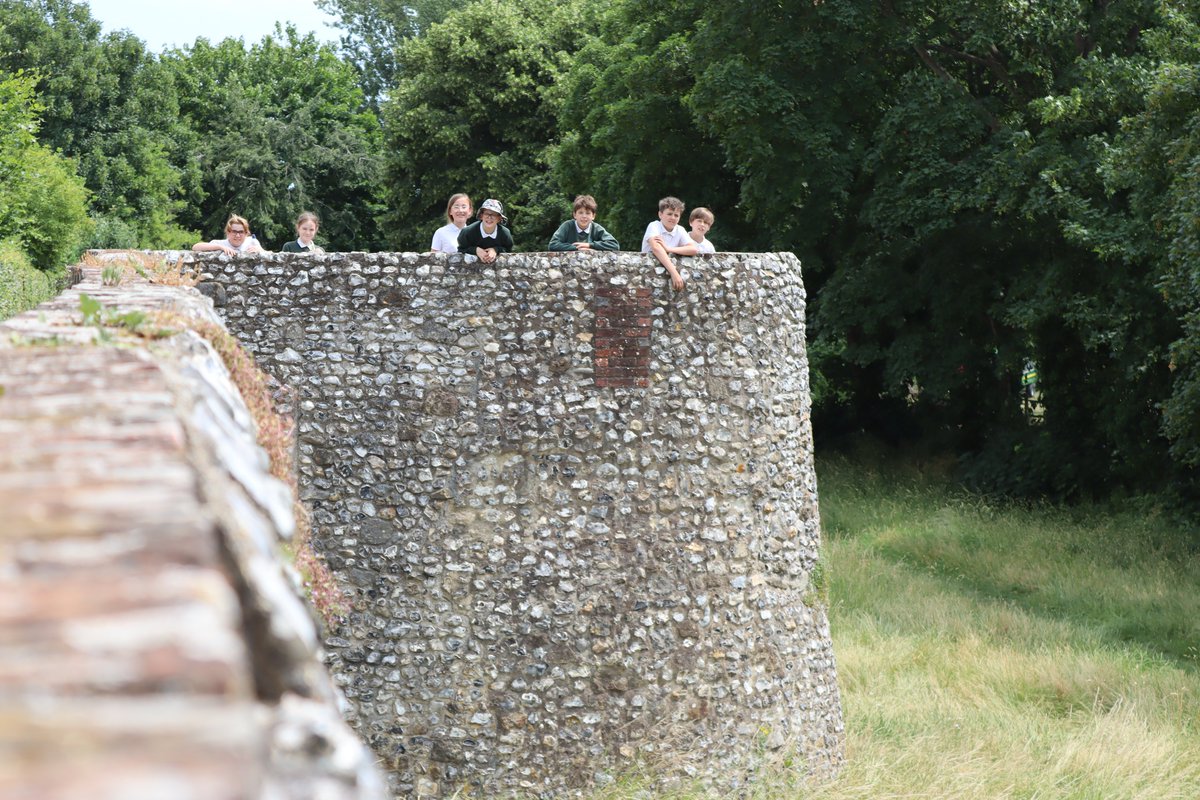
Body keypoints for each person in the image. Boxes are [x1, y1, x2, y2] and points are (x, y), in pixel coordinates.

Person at [640, 196, 697, 290]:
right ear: (660, 214)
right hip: (649, 274)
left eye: (676, 215)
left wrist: (668, 249)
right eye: (669, 214)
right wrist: (674, 273)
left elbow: (693, 249)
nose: (673, 218)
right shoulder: (654, 226)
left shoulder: (680, 229)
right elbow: (656, 248)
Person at [547, 194, 620, 251]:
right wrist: (577, 248)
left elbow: (614, 245)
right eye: (580, 213)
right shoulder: (567, 226)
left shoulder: (596, 228)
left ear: (593, 216)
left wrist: (589, 245)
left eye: (588, 213)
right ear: (574, 215)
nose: (584, 216)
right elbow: (553, 245)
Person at [457, 198, 513, 264]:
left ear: (499, 218)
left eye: (494, 214)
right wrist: (476, 250)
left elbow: (508, 251)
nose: (489, 217)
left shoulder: (505, 234)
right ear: (481, 216)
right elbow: (461, 250)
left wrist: (496, 250)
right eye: (486, 214)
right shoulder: (467, 232)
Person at [192, 215, 266, 256]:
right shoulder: (220, 244)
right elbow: (195, 247)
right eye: (234, 232)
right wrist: (220, 247)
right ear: (228, 232)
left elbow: (269, 254)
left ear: (246, 233)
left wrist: (260, 251)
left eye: (241, 232)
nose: (237, 235)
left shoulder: (252, 241)